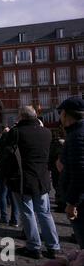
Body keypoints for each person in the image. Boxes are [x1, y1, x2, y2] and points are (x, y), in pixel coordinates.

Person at [0, 106, 60, 259]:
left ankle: (34, 247)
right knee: (45, 213)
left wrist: (8, 133)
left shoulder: (17, 132)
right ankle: (53, 246)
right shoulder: (46, 132)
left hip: (22, 180)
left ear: (21, 117)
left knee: (28, 212)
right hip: (43, 180)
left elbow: (1, 149)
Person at [56, 97, 84, 249]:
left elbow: (80, 172)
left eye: (61, 113)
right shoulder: (76, 133)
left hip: (80, 202)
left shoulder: (76, 136)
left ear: (66, 114)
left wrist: (72, 203)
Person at [0, 125, 19, 227]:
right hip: (13, 172)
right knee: (13, 196)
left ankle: (3, 217)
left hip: (2, 171)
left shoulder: (0, 141)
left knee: (2, 194)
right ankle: (15, 219)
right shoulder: (16, 143)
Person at [49, 129, 66, 212]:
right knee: (58, 185)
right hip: (56, 167)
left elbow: (57, 155)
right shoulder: (58, 142)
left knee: (59, 185)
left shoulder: (59, 143)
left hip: (57, 167)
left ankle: (62, 204)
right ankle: (60, 203)